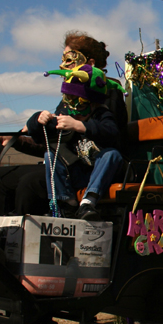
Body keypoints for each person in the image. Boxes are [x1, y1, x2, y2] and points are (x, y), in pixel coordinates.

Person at [25, 31, 124, 221]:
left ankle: (88, 202)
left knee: (112, 154)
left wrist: (80, 125)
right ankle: (66, 204)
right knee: (47, 157)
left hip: (100, 165)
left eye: (70, 60)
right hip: (76, 166)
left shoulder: (107, 95)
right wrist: (38, 120)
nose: (64, 66)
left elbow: (113, 134)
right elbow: (48, 137)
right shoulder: (67, 102)